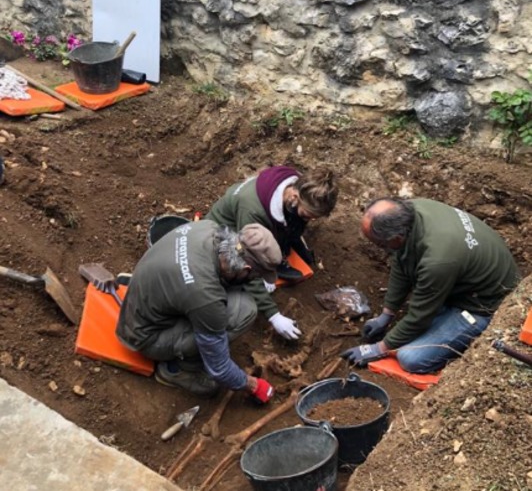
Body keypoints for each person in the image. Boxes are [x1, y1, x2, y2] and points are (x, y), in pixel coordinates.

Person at [341, 197, 520, 373]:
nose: (381, 249)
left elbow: (420, 316)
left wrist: (379, 349)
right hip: (463, 280)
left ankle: (460, 337)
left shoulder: (438, 261)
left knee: (410, 358)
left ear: (397, 236)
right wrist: (387, 314)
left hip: (484, 305)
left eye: (380, 244)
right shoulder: (410, 211)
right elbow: (401, 260)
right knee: (411, 323)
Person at [116, 219, 282, 401]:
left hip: (145, 299)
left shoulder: (207, 227)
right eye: (256, 276)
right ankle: (177, 370)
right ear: (246, 268)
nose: (255, 280)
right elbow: (219, 368)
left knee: (225, 298)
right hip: (145, 336)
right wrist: (252, 385)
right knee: (245, 310)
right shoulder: (205, 296)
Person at [205, 165, 338, 340]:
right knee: (235, 286)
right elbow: (241, 259)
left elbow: (291, 220)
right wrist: (273, 315)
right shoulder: (252, 210)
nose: (310, 220)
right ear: (294, 196)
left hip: (255, 225)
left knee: (297, 240)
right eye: (308, 214)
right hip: (220, 236)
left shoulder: (298, 184)